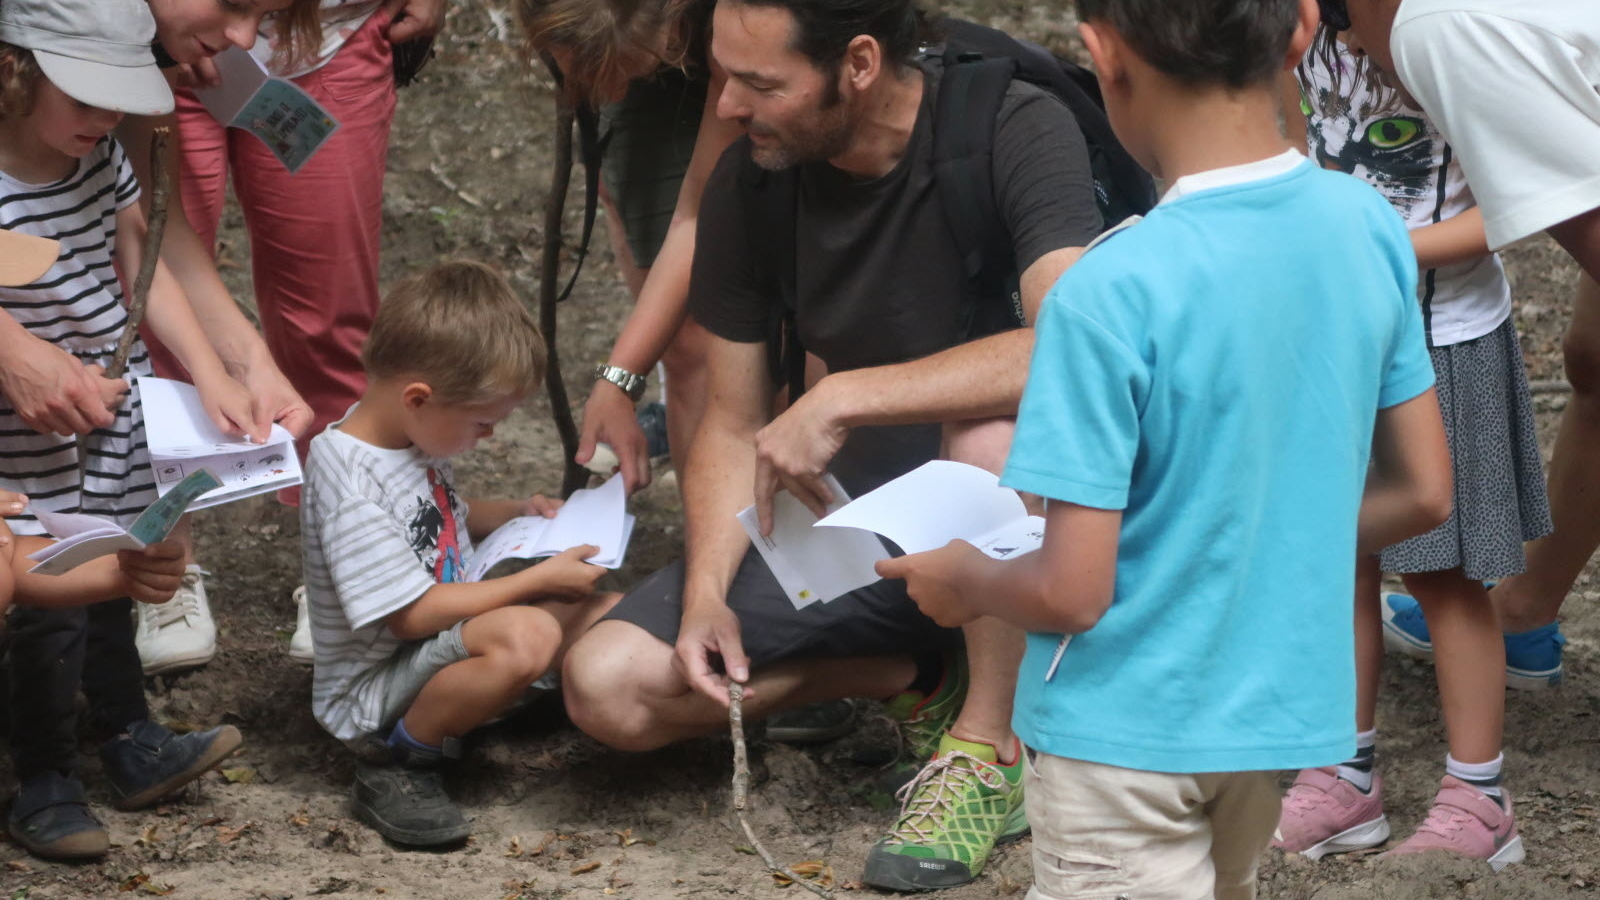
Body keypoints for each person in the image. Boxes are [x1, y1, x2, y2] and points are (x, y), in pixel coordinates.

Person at [876, 0, 1454, 894]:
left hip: (1118, 735)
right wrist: (1252, 539)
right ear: (1302, 28)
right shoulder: (1369, 224)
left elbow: (1071, 591)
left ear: (1102, 53)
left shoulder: (1106, 289)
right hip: (1268, 721)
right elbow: (1423, 493)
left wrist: (965, 581)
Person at [559, 0, 1101, 889]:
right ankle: (914, 677)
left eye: (759, 83)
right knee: (610, 684)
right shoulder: (754, 180)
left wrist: (848, 394)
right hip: (860, 523)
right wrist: (706, 594)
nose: (727, 106)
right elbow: (732, 419)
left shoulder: (1007, 127)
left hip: (1030, 536)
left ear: (857, 64)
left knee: (988, 433)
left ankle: (989, 752)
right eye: (724, 76)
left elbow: (1075, 345)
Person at [1270, 31, 1548, 869]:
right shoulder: (1309, 39)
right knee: (1338, 558)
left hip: (1443, 341)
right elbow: (1295, 144)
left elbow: (1517, 204)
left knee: (1444, 573)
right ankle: (1344, 775)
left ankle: (1480, 798)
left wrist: (1376, 245)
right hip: (1331, 337)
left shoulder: (1451, 42)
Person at [0, 0, 251, 861]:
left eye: (118, 101)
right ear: (15, 72)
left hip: (111, 399)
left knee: (117, 562)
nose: (105, 118)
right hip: (25, 417)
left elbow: (137, 255)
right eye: (84, 98)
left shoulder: (102, 156)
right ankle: (45, 775)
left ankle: (127, 733)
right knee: (48, 590)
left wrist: (209, 371)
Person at [150, 0, 447, 666]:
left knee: (331, 314)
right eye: (237, 5)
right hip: (161, 54)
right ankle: (161, 567)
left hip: (327, 46)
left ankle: (343, 558)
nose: (243, 35)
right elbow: (151, 244)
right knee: (156, 324)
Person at [300, 261, 618, 848]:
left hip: (438, 649)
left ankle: (501, 702)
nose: (488, 436)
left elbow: (436, 518)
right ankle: (403, 761)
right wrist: (536, 580)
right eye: (482, 423)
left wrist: (518, 512)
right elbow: (411, 616)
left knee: (609, 614)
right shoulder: (349, 481)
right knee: (527, 634)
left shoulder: (405, 437)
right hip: (373, 695)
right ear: (418, 398)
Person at [1338, 0, 1600, 687]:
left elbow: (1534, 204)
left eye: (1336, 15)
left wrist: (1374, 250)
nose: (1345, 44)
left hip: (1450, 332)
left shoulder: (1443, 29)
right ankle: (1523, 612)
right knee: (1594, 359)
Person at [519, 0, 732, 494]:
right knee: (682, 339)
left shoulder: (742, 24)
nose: (610, 93)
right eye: (590, 74)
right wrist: (624, 376)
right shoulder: (594, 24)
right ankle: (706, 522)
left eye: (621, 68)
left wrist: (619, 377)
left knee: (750, 322)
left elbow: (696, 213)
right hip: (643, 34)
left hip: (736, 36)